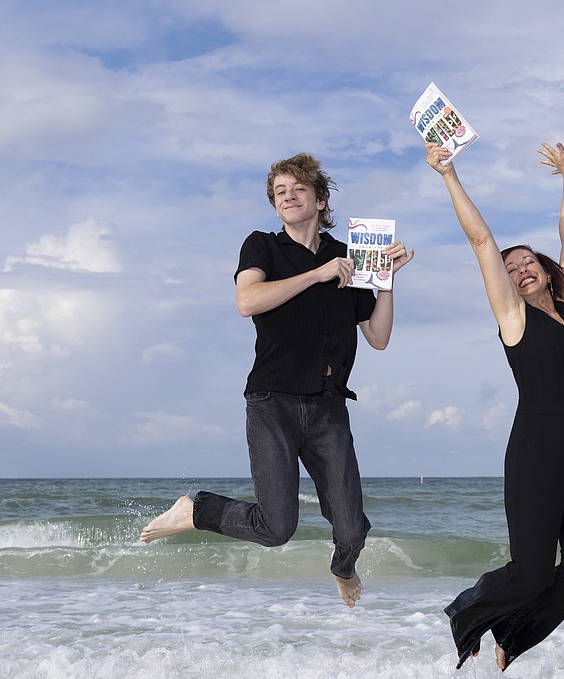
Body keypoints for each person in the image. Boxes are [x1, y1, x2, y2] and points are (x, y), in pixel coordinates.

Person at [140, 153, 414, 608]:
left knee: (351, 529)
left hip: (328, 404)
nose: (287, 196)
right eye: (280, 191)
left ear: (320, 199)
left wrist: (384, 282)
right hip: (273, 400)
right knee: (277, 528)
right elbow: (247, 301)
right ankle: (195, 510)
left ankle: (343, 568)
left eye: (298, 189)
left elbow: (379, 338)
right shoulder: (262, 246)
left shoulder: (349, 257)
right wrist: (317, 275)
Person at [426, 140, 564, 671]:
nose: (521, 269)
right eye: (512, 268)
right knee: (530, 572)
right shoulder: (514, 319)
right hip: (536, 450)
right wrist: (448, 173)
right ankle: (466, 610)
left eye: (529, 262)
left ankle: (511, 636)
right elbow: (481, 240)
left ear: (548, 272)